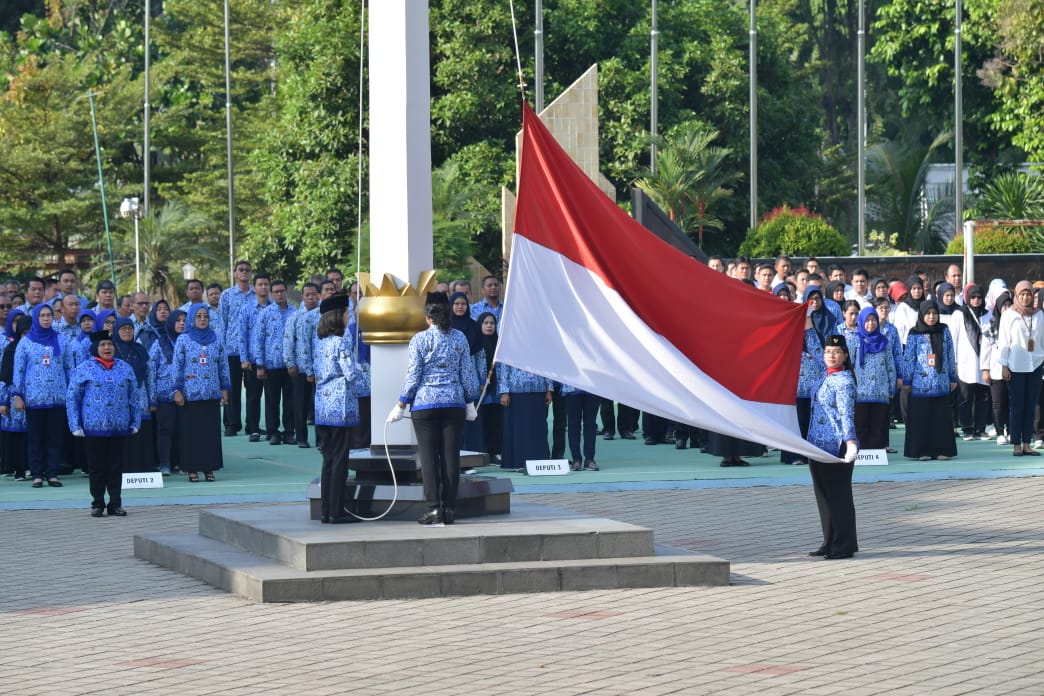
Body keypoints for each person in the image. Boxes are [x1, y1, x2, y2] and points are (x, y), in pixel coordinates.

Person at [389, 293, 479, 525]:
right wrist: (470, 399)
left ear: (428, 317)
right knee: (451, 457)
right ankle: (449, 508)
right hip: (454, 403)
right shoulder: (459, 338)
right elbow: (467, 374)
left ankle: (433, 508)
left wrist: (401, 403)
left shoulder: (419, 340)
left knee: (428, 458)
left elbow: (413, 375)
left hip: (425, 404)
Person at [66, 330, 140, 517]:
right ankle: (97, 503)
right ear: (95, 348)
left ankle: (115, 503)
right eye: (102, 345)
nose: (107, 348)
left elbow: (134, 397)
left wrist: (135, 421)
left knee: (116, 466)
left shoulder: (125, 368)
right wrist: (75, 424)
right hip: (93, 427)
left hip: (119, 427)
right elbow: (72, 398)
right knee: (96, 467)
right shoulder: (84, 369)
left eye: (110, 344)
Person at [806, 333, 859, 560]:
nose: (831, 355)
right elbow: (813, 346)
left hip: (837, 445)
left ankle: (844, 544)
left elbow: (847, 414)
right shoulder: (825, 376)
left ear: (845, 355)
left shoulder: (844, 381)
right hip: (817, 444)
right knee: (823, 495)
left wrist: (851, 442)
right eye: (828, 352)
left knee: (838, 496)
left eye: (836, 352)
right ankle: (829, 540)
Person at [312, 294, 364, 523]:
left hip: (323, 406)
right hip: (341, 405)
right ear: (337, 317)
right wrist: (366, 382)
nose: (348, 317)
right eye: (346, 313)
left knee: (329, 459)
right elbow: (350, 372)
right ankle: (337, 510)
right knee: (341, 460)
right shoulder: (341, 341)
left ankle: (326, 509)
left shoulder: (321, 342)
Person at [12, 304, 73, 487]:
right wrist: (17, 394)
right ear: (36, 318)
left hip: (57, 398)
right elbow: (19, 370)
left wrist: (71, 394)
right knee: (36, 438)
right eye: (43, 316)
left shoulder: (62, 340)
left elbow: (69, 368)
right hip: (34, 399)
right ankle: (37, 474)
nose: (46, 318)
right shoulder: (26, 343)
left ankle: (52, 473)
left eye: (49, 315)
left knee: (55, 438)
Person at [172, 303, 230, 482]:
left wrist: (225, 388)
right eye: (199, 316)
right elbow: (177, 366)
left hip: (211, 393)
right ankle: (192, 469)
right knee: (192, 434)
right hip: (191, 394)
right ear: (192, 319)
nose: (203, 319)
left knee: (210, 434)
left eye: (205, 316)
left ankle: (209, 468)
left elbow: (223, 365)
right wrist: (177, 390)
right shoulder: (184, 339)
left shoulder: (217, 338)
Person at [902, 300, 958, 461]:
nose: (931, 317)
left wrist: (952, 377)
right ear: (921, 315)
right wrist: (907, 381)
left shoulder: (944, 330)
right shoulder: (914, 333)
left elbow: (950, 354)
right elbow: (909, 358)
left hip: (941, 382)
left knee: (940, 419)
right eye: (928, 314)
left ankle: (941, 450)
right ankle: (921, 451)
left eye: (934, 313)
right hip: (920, 385)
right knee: (922, 419)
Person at [997, 281, 1044, 457]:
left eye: (1028, 294)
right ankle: (1016, 444)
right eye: (1022, 294)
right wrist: (1004, 365)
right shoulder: (1009, 316)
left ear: (1033, 296)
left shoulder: (1039, 315)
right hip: (1016, 366)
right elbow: (1004, 342)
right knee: (1017, 407)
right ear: (1016, 295)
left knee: (1031, 407)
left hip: (1035, 365)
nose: (1025, 298)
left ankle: (1027, 444)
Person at [113, 316, 156, 473]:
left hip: (140, 397)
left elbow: (149, 376)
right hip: (119, 400)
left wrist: (152, 401)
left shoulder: (140, 349)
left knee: (141, 434)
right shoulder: (111, 349)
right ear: (117, 331)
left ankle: (143, 468)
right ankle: (123, 469)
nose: (127, 331)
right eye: (123, 328)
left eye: (130, 328)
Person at [852, 307, 897, 449]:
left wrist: (891, 387)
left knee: (876, 426)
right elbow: (849, 365)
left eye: (873, 320)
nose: (870, 324)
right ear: (861, 322)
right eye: (867, 320)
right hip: (860, 392)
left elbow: (890, 365)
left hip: (880, 391)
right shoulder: (855, 340)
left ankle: (875, 453)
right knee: (859, 425)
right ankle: (861, 453)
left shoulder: (885, 342)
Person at [150, 309, 186, 475]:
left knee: (182, 430)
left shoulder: (189, 342)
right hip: (164, 394)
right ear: (171, 322)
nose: (181, 323)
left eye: (184, 320)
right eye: (178, 320)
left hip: (186, 395)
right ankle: (164, 463)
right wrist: (152, 398)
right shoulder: (159, 343)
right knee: (165, 430)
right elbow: (151, 371)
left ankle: (180, 462)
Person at [0, 313, 31, 480]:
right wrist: (3, 401)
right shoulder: (11, 350)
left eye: (29, 333)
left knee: (32, 436)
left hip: (33, 398)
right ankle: (19, 468)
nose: (26, 337)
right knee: (17, 436)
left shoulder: (37, 349)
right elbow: (4, 378)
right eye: (24, 333)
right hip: (14, 400)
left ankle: (31, 467)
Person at [981, 291, 1013, 445]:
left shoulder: (1018, 323)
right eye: (1003, 305)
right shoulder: (992, 325)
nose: (1006, 308)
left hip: (1015, 369)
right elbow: (985, 350)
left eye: (1009, 305)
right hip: (996, 370)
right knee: (998, 403)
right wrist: (985, 369)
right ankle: (1000, 432)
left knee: (1013, 403)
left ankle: (1012, 431)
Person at [475, 312, 502, 463]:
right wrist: (480, 381)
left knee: (496, 421)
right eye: (485, 323)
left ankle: (496, 452)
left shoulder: (499, 343)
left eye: (492, 323)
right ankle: (483, 452)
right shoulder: (477, 343)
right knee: (482, 422)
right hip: (482, 389)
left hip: (497, 389)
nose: (489, 326)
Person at [562, 384, 600, 471]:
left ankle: (589, 459)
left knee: (590, 424)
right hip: (571, 388)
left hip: (593, 387)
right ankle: (576, 459)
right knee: (573, 424)